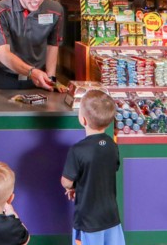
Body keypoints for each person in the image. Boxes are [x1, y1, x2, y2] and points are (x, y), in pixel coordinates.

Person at [61, 90, 125, 245]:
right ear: (109, 122)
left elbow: (66, 182)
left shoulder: (77, 150)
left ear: (83, 119)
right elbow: (107, 170)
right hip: (111, 217)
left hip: (87, 221)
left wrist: (72, 187)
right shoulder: (112, 145)